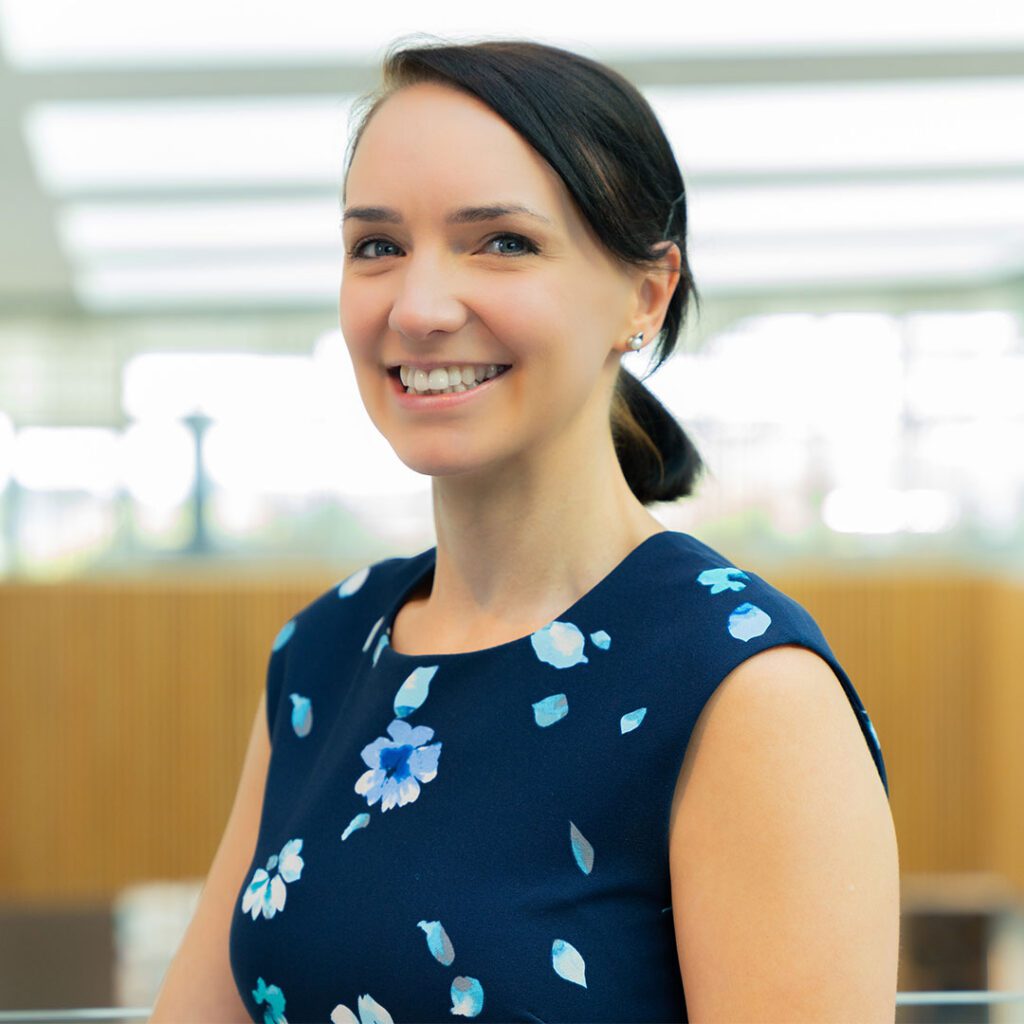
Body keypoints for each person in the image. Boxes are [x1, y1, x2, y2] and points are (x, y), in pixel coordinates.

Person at [150, 35, 899, 1023]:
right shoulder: (325, 653)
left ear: (645, 292)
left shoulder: (742, 684)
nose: (417, 307)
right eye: (377, 245)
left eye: (501, 240)